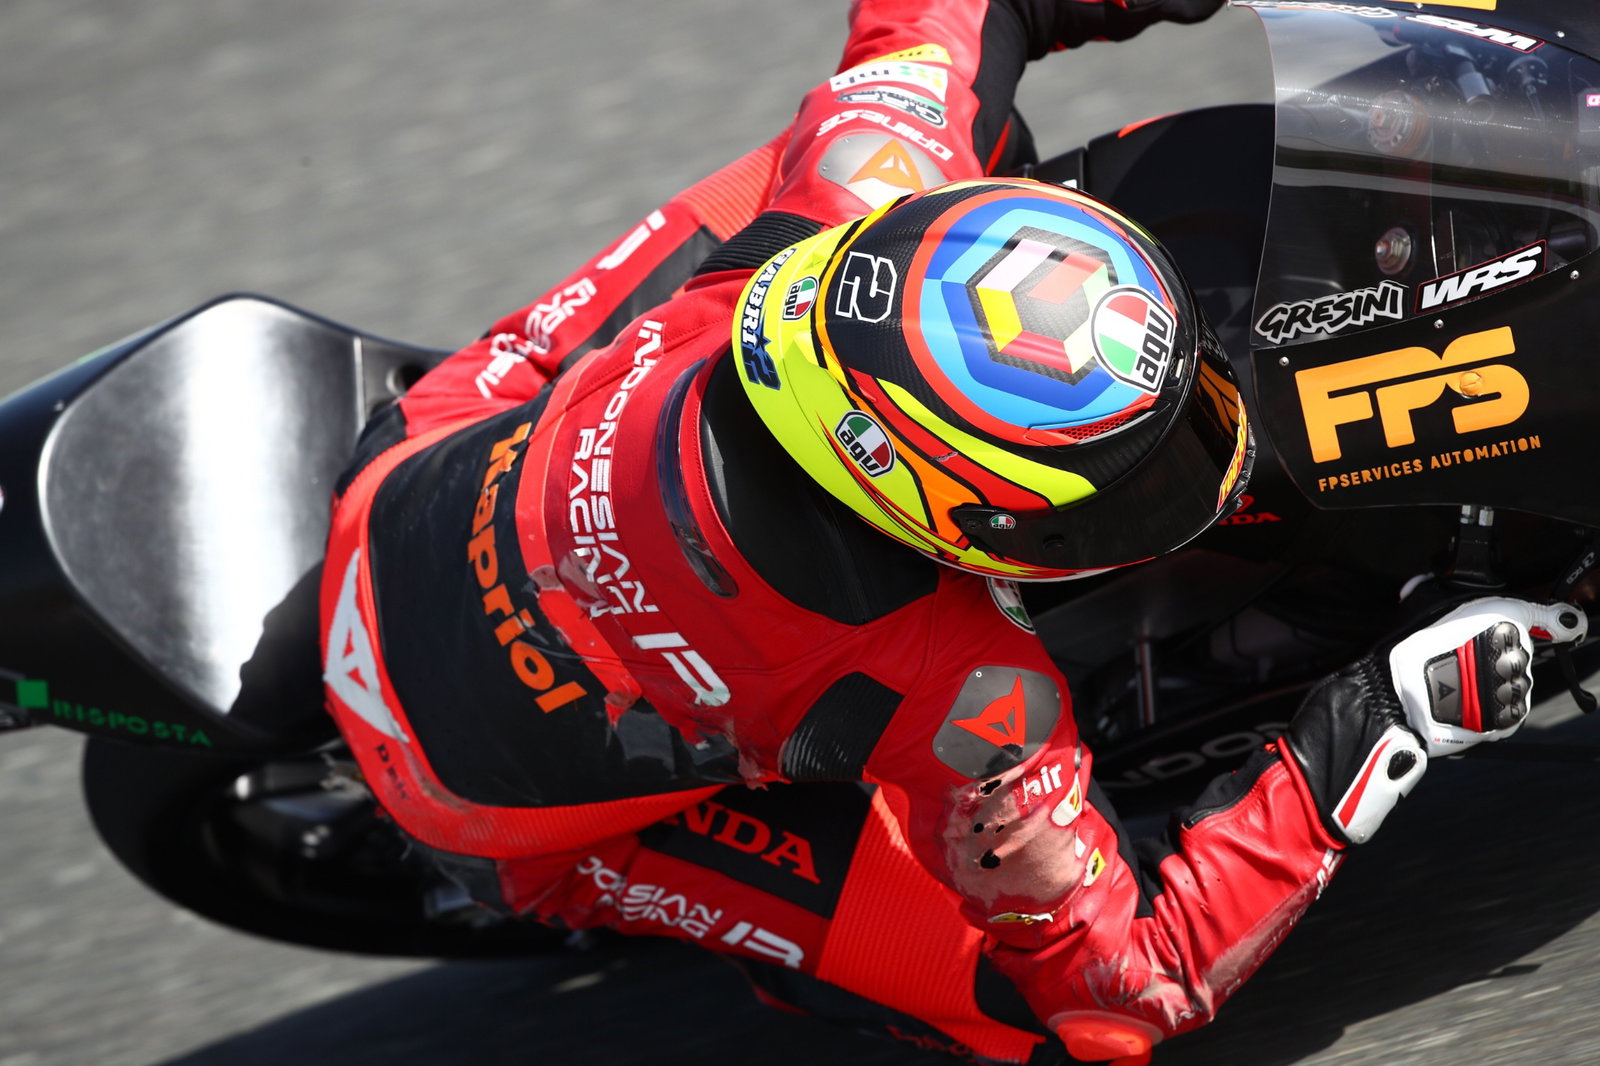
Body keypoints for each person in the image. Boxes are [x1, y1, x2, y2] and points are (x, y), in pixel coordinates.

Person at [317, 1, 1583, 1062]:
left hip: (421, 459)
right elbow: (1127, 984)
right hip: (471, 801)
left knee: (836, 139)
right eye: (1120, 485)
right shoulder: (955, 686)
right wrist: (1383, 715)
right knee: (1022, 1020)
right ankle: (729, 937)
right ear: (932, 518)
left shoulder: (859, 184)